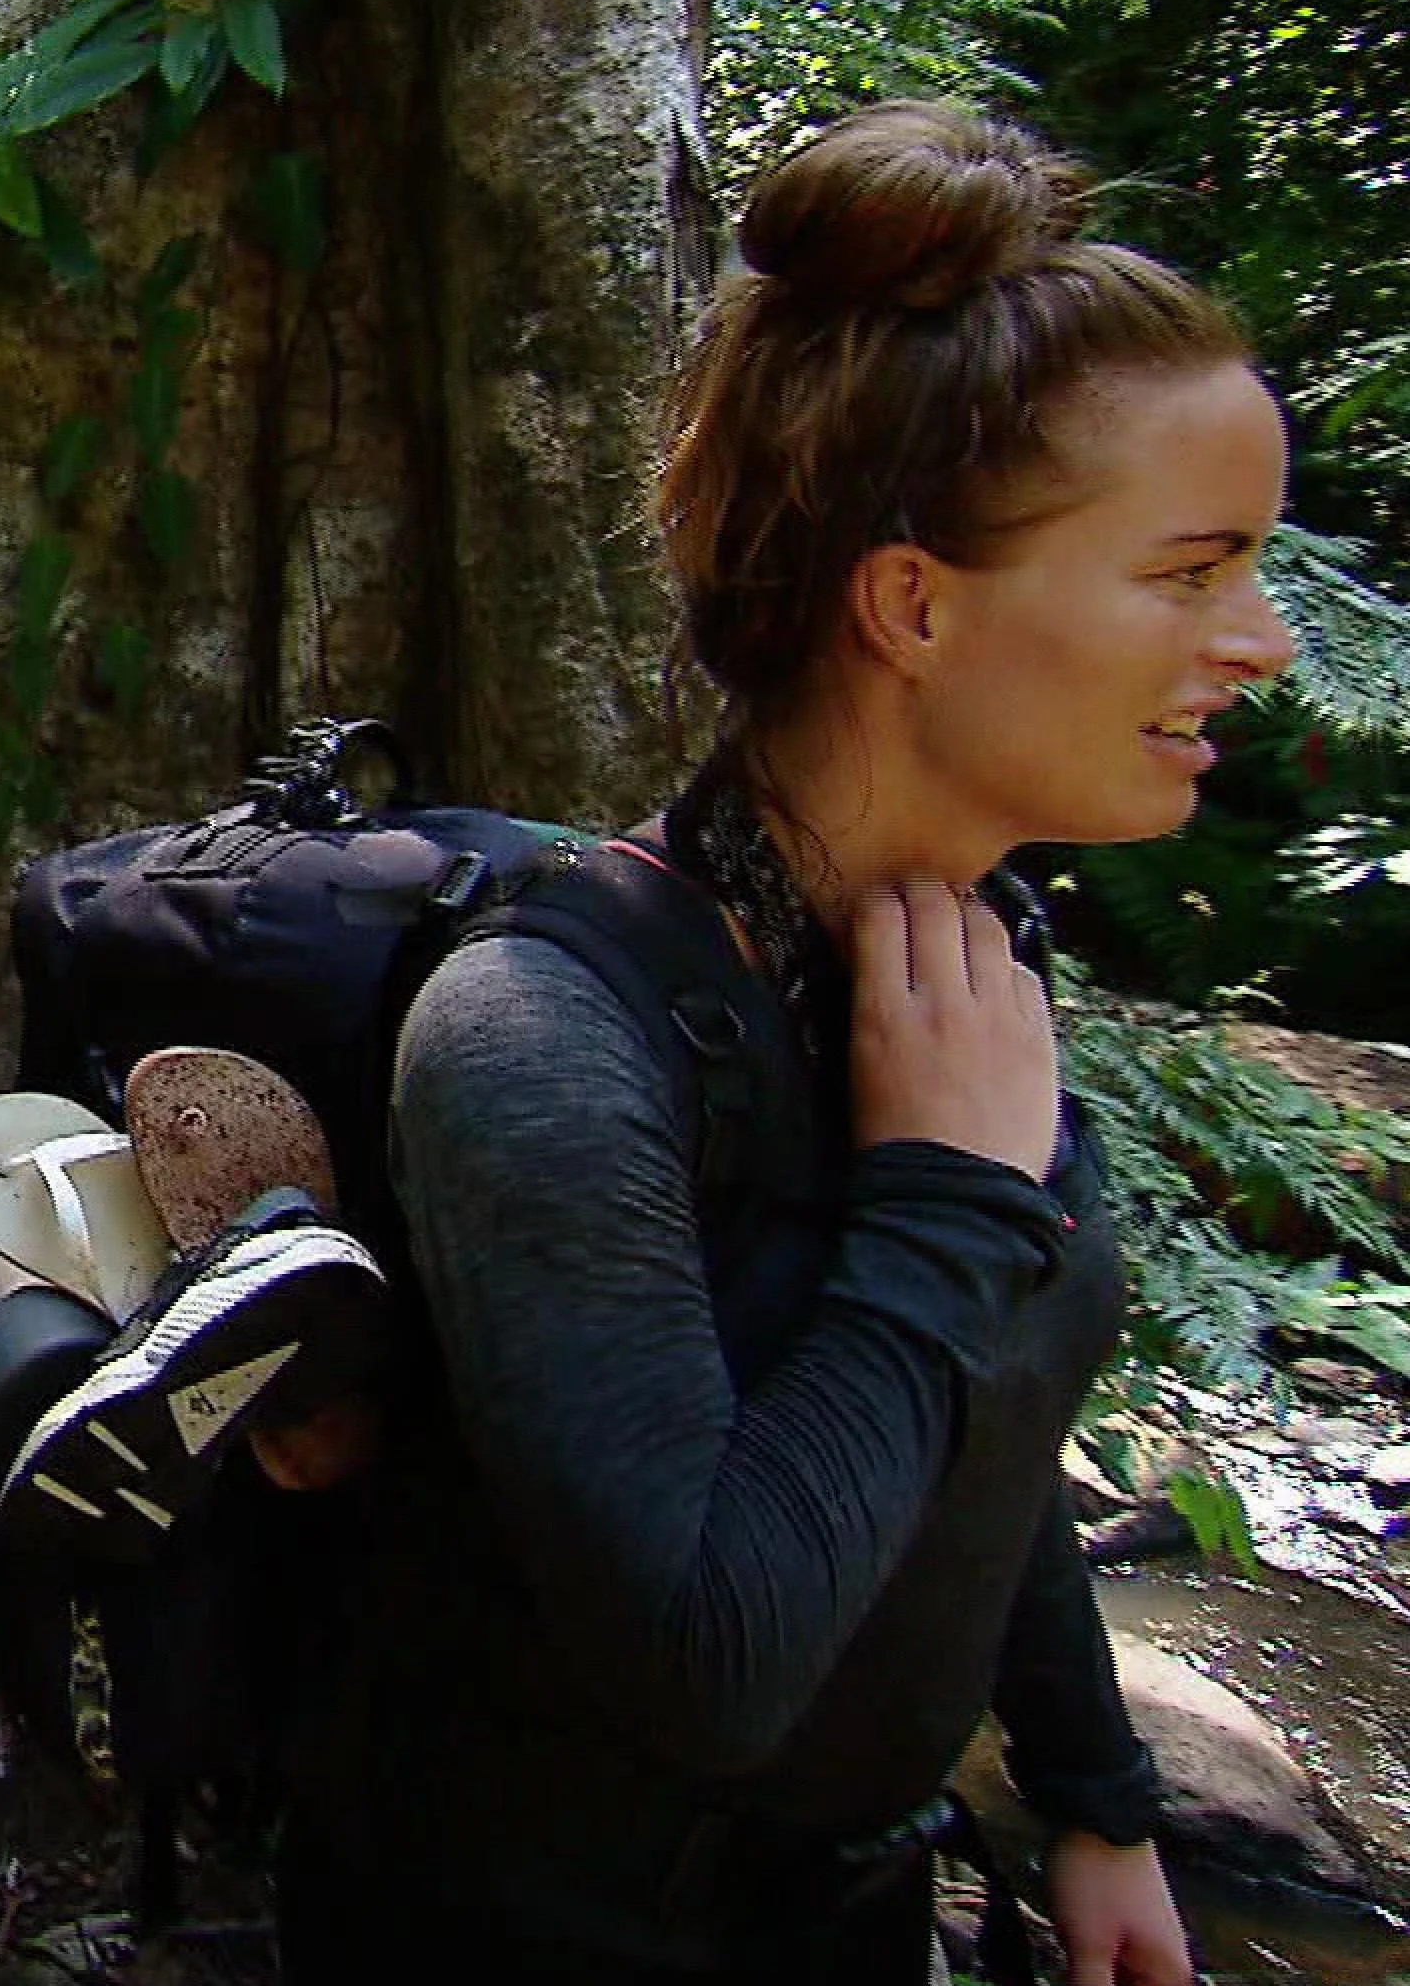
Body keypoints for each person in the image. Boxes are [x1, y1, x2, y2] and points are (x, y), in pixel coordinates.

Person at [280, 103, 1268, 1984]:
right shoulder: (541, 1034)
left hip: (842, 1915)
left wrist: (1094, 1795)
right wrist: (947, 1201)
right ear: (912, 604)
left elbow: (977, 1424)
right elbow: (710, 1664)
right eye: (1190, 571)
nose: (1261, 639)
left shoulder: (957, 966)